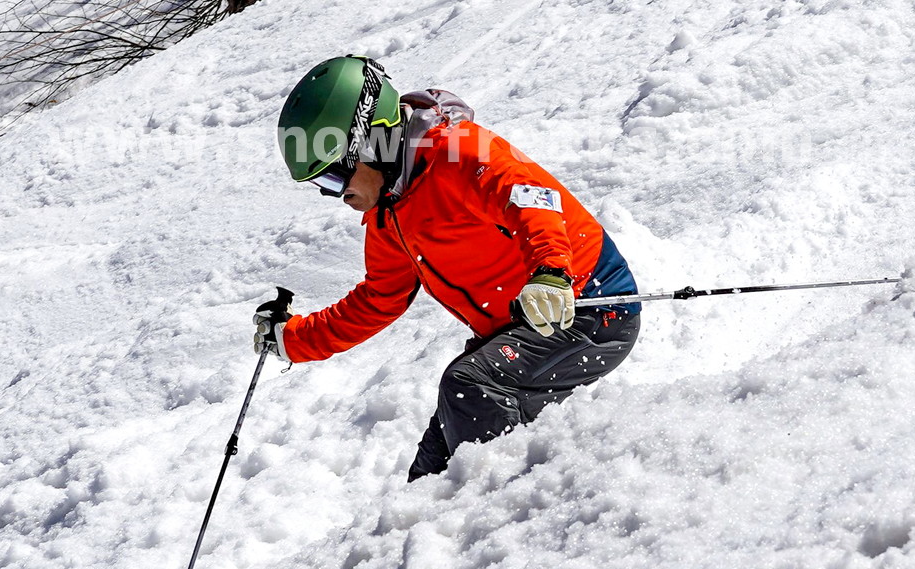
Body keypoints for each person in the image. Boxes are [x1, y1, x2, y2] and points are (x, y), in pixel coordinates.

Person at [255, 56, 640, 481]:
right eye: (322, 186)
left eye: (333, 179)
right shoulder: (391, 212)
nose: (337, 196)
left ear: (370, 143)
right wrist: (293, 339)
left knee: (469, 388)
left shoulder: (458, 150)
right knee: (432, 474)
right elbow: (379, 299)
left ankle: (509, 514)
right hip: (523, 328)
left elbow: (532, 198)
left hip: (589, 306)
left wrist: (550, 272)